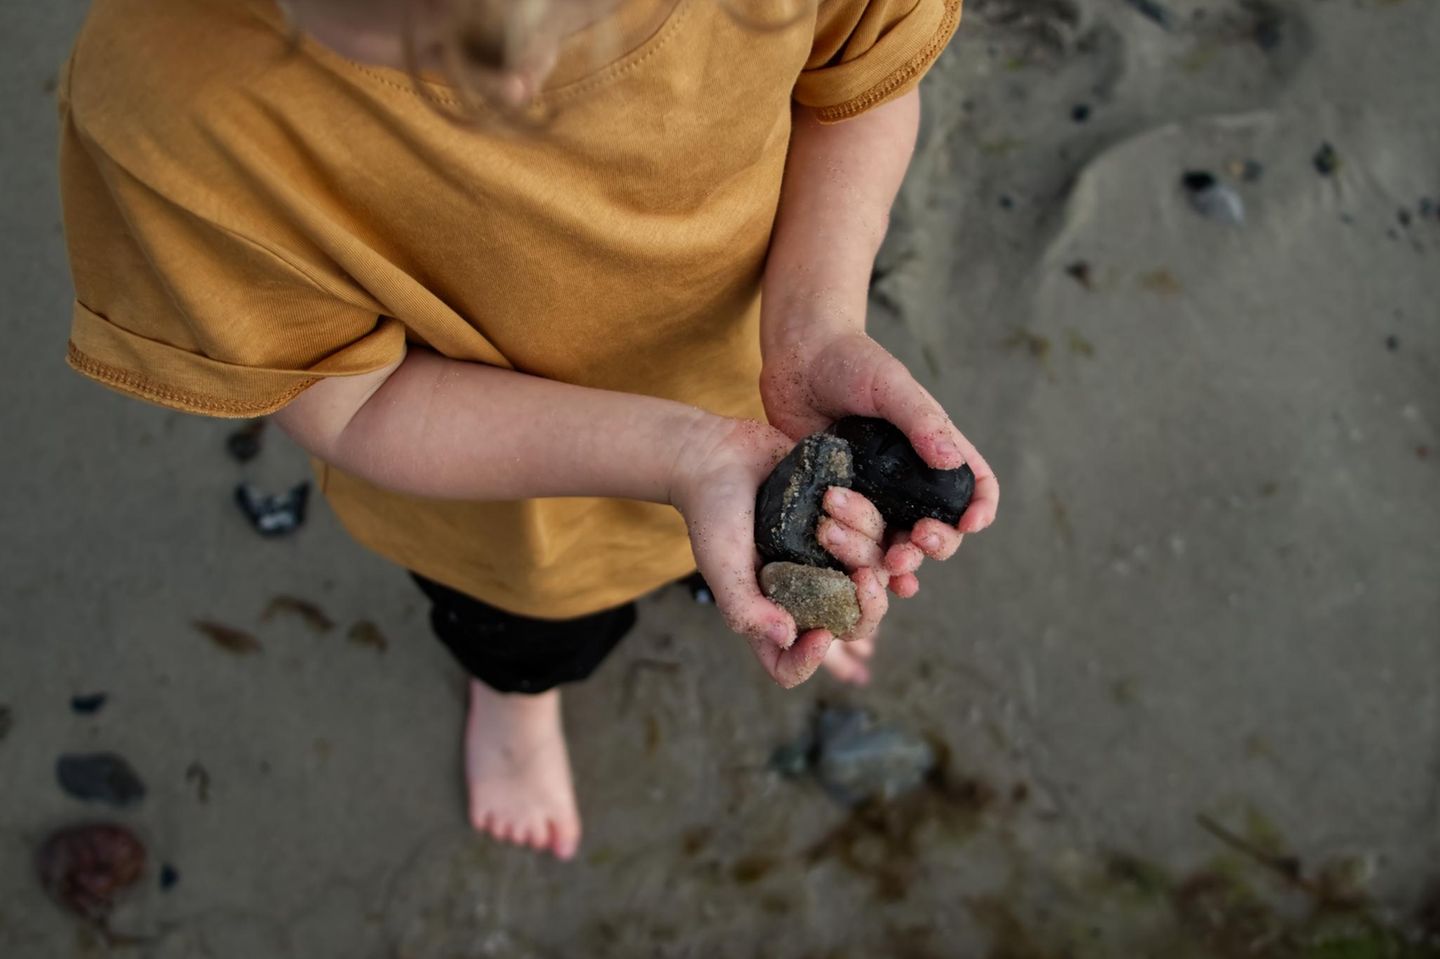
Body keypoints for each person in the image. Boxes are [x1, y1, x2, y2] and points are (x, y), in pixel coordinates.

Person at [57, 0, 999, 862]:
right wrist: (677, 452)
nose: (514, 83)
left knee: (754, 544)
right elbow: (352, 397)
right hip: (504, 513)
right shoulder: (174, 108)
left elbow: (858, 86)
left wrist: (815, 323)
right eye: (420, 28)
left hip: (754, 385)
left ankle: (749, 577)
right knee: (524, 631)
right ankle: (517, 698)